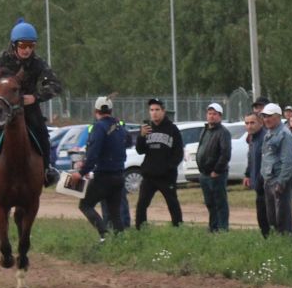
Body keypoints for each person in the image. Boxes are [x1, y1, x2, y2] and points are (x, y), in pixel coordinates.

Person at [0, 21, 62, 189]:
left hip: (27, 107)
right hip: (2, 108)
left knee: (42, 132)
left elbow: (56, 85)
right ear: (14, 45)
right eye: (23, 45)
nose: (27, 49)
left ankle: (47, 169)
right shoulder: (0, 60)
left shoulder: (38, 63)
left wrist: (35, 97)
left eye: (31, 45)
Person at [77, 96, 129, 238]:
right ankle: (120, 241)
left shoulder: (99, 127)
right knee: (115, 213)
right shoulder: (119, 126)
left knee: (85, 205)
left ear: (96, 111)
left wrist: (81, 172)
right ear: (111, 111)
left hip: (104, 176)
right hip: (119, 176)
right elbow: (128, 141)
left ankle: (103, 233)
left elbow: (93, 154)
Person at [133, 98, 184, 227]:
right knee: (142, 204)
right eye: (151, 110)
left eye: (157, 110)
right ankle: (141, 229)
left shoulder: (172, 129)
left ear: (163, 111)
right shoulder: (147, 129)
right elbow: (140, 150)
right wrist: (141, 136)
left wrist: (169, 167)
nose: (154, 113)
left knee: (172, 203)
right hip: (149, 175)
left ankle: (178, 227)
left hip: (166, 176)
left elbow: (178, 153)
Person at [256, 102, 292, 237]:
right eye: (264, 116)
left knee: (283, 218)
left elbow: (288, 162)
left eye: (269, 116)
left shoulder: (284, 134)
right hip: (269, 179)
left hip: (279, 181)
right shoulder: (270, 132)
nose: (266, 119)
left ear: (278, 117)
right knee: (272, 217)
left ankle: (287, 244)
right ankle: (277, 243)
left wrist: (281, 182)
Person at [195, 101, 232, 232]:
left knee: (220, 203)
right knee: (210, 203)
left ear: (220, 116)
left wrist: (217, 170)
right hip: (204, 174)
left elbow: (225, 153)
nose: (211, 116)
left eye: (214, 114)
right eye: (209, 113)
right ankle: (213, 227)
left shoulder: (223, 132)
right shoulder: (205, 130)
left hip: (216, 174)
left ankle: (222, 229)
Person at [241, 110, 271, 235]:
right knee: (261, 216)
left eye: (252, 123)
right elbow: (251, 158)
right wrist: (248, 174)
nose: (249, 126)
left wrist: (262, 179)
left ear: (260, 123)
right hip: (257, 183)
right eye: (247, 123)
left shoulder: (265, 137)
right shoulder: (252, 138)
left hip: (266, 183)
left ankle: (273, 238)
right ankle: (266, 238)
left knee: (268, 215)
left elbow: (268, 162)